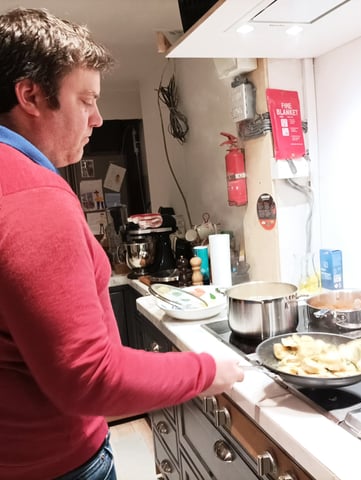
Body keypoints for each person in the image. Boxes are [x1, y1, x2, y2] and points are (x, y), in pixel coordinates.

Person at [0, 8, 244, 480]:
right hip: (55, 465)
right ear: (30, 95)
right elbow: (90, 377)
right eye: (86, 99)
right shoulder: (34, 197)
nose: (98, 118)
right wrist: (207, 371)